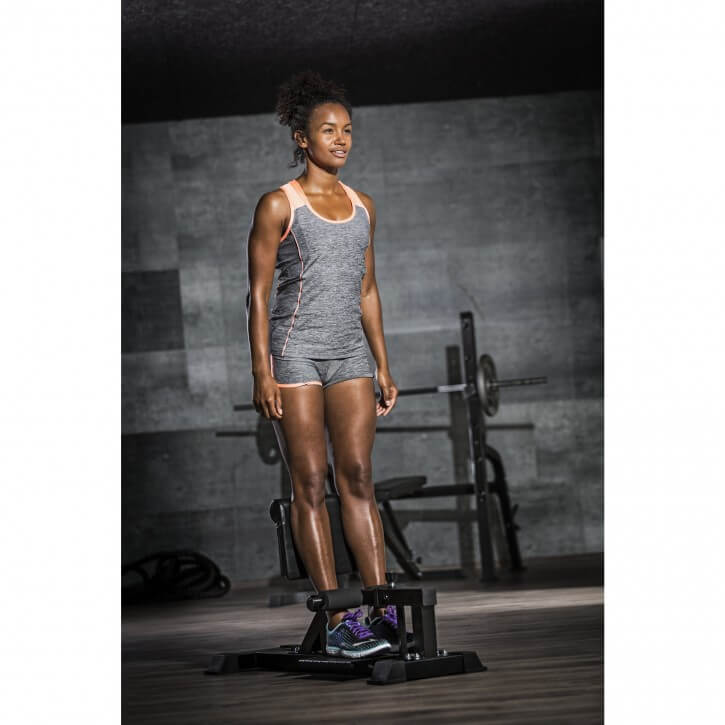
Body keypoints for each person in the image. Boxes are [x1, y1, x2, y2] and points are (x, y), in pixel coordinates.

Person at [245, 70, 408, 658]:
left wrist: (382, 364)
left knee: (358, 476)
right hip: (295, 354)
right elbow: (257, 294)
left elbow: (367, 289)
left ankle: (382, 606)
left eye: (347, 130)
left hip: (350, 355)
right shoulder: (278, 204)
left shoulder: (363, 206)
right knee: (310, 482)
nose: (340, 140)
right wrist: (262, 371)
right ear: (301, 137)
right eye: (328, 130)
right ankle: (339, 618)